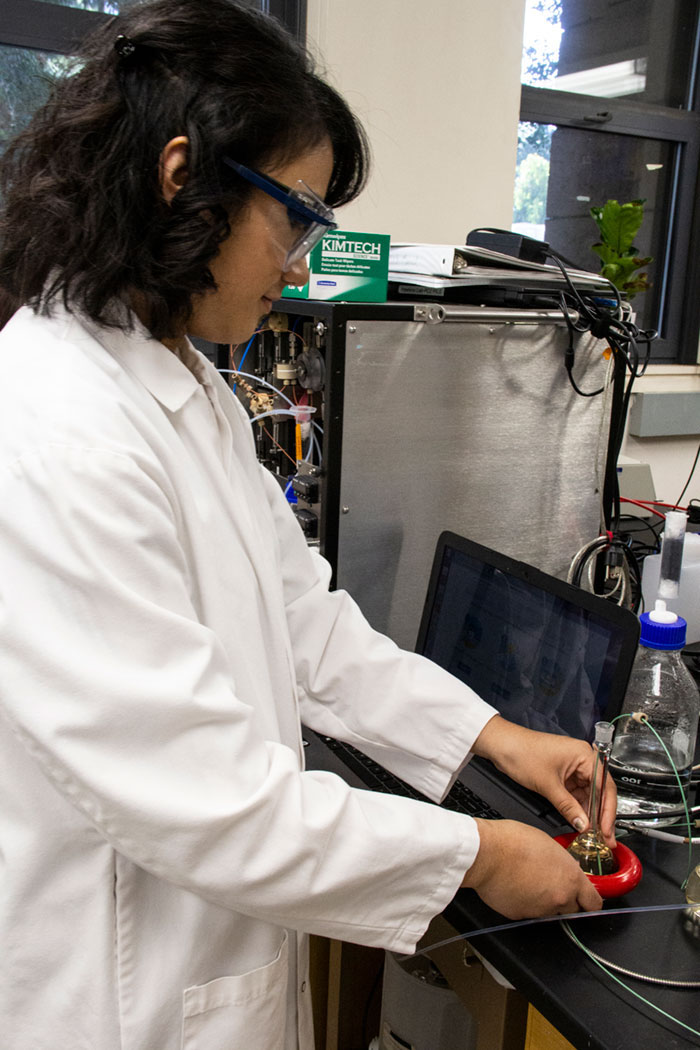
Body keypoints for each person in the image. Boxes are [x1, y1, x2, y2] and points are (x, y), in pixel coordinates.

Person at [0, 2, 616, 1048]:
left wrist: (493, 737)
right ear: (181, 173)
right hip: (111, 999)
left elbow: (309, 629)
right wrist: (472, 855)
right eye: (297, 214)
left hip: (208, 961)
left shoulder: (182, 384)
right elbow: (207, 802)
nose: (302, 263)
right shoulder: (54, 428)